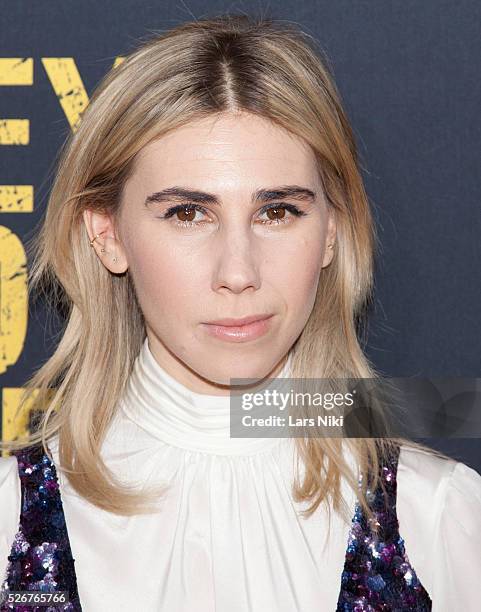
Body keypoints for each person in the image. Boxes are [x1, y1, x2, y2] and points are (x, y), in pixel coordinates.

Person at [0, 14, 480, 612]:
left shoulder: (441, 517)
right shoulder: (6, 522)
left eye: (277, 212)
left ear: (332, 230)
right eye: (187, 214)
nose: (238, 272)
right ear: (107, 236)